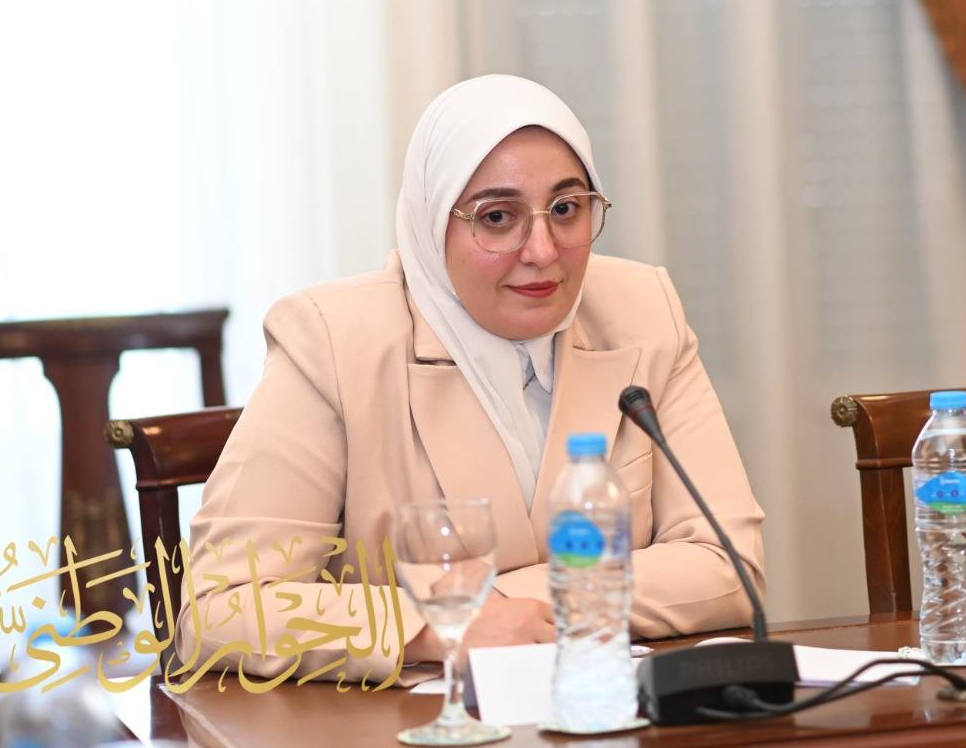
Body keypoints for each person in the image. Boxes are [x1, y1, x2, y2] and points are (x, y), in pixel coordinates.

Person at [176, 75, 764, 684]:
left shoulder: (643, 310)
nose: (542, 250)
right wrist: (435, 629)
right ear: (433, 223)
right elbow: (223, 608)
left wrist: (501, 607)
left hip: (605, 708)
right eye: (497, 217)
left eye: (566, 209)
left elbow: (727, 564)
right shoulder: (332, 340)